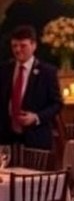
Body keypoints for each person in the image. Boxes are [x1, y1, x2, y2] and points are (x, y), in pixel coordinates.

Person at [0, 23, 62, 151]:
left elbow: (57, 104)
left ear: (33, 45)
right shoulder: (5, 70)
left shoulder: (47, 72)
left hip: (35, 138)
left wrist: (36, 117)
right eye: (14, 46)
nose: (17, 50)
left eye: (23, 46)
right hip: (7, 138)